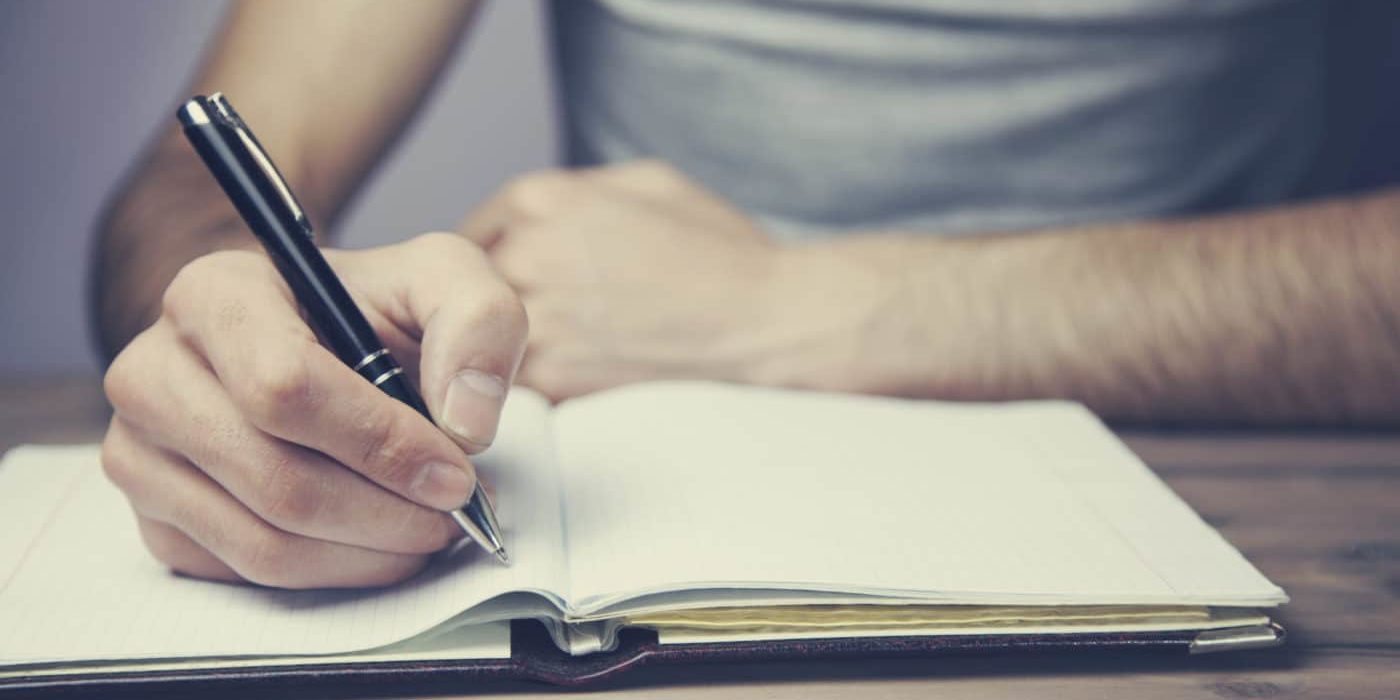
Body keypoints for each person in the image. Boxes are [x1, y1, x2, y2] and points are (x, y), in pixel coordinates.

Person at [92, 0, 1399, 589]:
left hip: (1220, 505)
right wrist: (240, 316)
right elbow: (182, 198)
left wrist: (799, 310)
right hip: (647, 515)